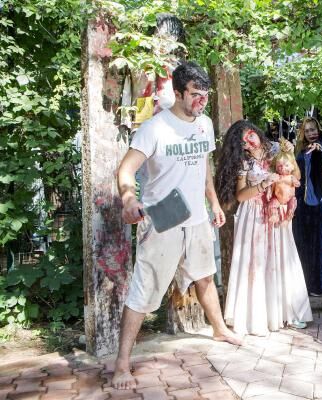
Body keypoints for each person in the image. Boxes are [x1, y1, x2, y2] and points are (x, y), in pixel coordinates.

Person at [113, 62, 241, 390]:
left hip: (197, 217)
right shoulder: (155, 128)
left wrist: (213, 203)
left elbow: (204, 167)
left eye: (205, 95)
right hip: (163, 218)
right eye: (195, 94)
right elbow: (126, 170)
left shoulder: (205, 124)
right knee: (144, 291)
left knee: (205, 276)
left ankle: (219, 329)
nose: (202, 101)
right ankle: (122, 363)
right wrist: (129, 199)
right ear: (179, 93)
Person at [216, 120, 313, 336]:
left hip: (277, 212)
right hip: (254, 215)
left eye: (250, 135)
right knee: (256, 263)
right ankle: (257, 317)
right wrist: (263, 184)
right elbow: (241, 195)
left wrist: (290, 154)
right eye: (243, 142)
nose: (249, 143)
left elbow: (296, 177)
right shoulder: (243, 162)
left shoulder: (276, 150)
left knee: (282, 259)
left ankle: (288, 313)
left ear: (257, 132)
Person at [292, 117, 322, 296]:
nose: (311, 133)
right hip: (300, 204)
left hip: (316, 204)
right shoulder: (300, 150)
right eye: (307, 131)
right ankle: (305, 286)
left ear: (319, 129)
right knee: (302, 244)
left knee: (318, 245)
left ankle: (318, 286)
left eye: (313, 129)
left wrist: (319, 151)